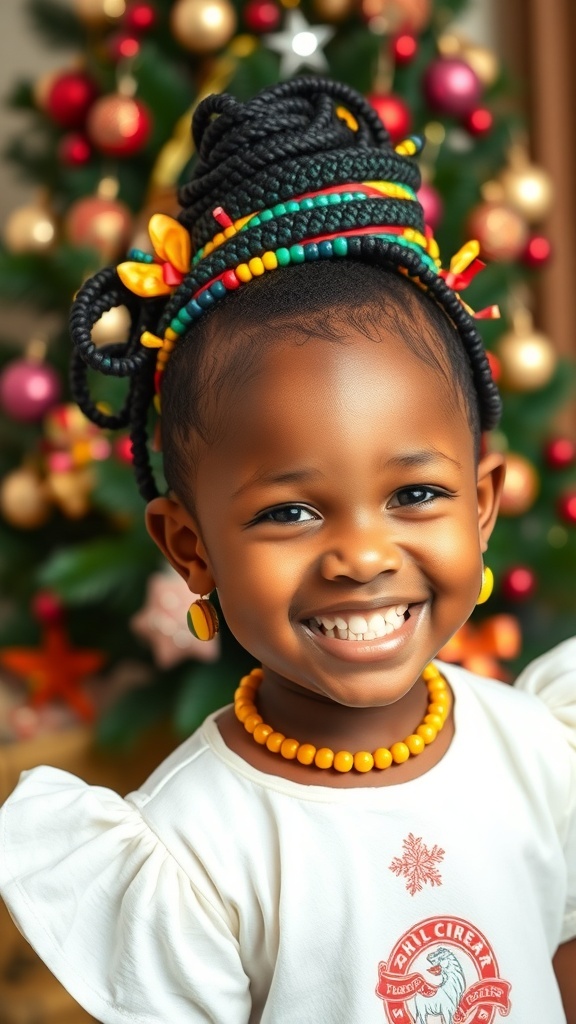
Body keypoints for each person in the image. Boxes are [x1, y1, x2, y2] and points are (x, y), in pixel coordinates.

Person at [0, 77, 575, 1023]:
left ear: (482, 508)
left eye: (416, 494)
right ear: (191, 549)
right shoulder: (194, 852)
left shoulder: (538, 754)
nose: (359, 554)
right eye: (291, 514)